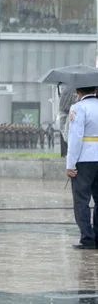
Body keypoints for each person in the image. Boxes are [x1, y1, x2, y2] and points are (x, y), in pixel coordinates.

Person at [65, 84, 98, 249]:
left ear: (78, 92)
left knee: (81, 200)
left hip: (84, 159)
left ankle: (87, 238)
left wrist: (70, 164)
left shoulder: (78, 108)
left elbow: (75, 137)